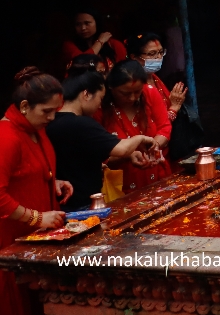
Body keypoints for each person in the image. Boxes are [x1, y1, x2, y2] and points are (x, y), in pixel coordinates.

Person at [0, 69, 72, 315]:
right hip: (11, 239)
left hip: (36, 238)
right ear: (24, 106)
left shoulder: (35, 128)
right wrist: (36, 219)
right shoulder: (6, 137)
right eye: (47, 111)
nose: (52, 117)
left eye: (56, 110)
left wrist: (53, 181)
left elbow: (27, 172)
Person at [47, 68, 158, 211]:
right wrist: (141, 138)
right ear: (86, 94)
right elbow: (121, 148)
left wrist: (130, 155)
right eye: (100, 98)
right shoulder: (81, 123)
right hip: (81, 202)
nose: (100, 105)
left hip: (59, 203)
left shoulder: (52, 122)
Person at [101, 60, 172, 194]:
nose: (132, 98)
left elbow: (165, 127)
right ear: (111, 87)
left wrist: (153, 146)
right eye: (125, 93)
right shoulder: (100, 106)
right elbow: (98, 151)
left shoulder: (150, 93)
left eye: (137, 92)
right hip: (120, 184)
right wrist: (128, 154)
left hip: (156, 175)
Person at [132, 32, 187, 124]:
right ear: (134, 57)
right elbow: (152, 125)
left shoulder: (154, 77)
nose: (158, 57)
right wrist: (174, 107)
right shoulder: (134, 86)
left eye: (161, 52)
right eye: (152, 53)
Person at [61, 10, 126, 77]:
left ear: (97, 23)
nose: (83, 28)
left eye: (87, 23)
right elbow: (82, 62)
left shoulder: (114, 44)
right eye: (78, 24)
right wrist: (100, 42)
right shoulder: (69, 45)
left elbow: (124, 71)